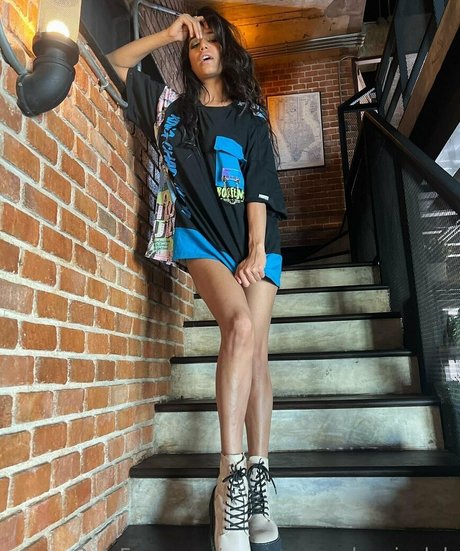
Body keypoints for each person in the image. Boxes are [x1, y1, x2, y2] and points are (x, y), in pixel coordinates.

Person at [107, 7, 287, 551]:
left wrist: (255, 250)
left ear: (227, 49)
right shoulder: (172, 111)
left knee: (256, 355)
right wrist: (167, 34)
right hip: (200, 239)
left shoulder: (251, 118)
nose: (202, 46)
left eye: (211, 38)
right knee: (238, 326)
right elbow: (116, 62)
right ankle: (230, 479)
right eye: (193, 42)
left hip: (256, 243)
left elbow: (259, 188)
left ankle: (259, 479)